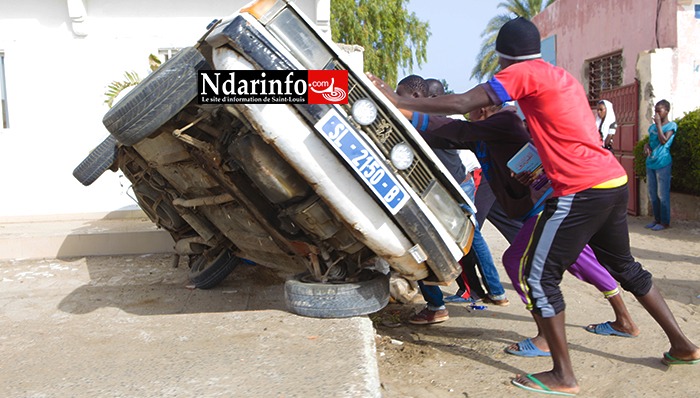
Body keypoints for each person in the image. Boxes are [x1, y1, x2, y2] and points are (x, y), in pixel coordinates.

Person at [368, 17, 699, 396]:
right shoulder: (558, 76)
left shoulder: (521, 74)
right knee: (625, 267)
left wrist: (397, 101)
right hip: (612, 180)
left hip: (581, 188)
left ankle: (564, 375)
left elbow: (462, 105)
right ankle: (683, 345)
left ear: (502, 57)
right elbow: (541, 132)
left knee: (535, 275)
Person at [407, 102, 640, 357]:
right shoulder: (487, 132)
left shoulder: (503, 122)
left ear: (483, 110)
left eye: (471, 106)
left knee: (520, 261)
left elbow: (456, 130)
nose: (466, 112)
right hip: (534, 207)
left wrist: (405, 111)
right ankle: (623, 320)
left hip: (546, 206)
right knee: (580, 259)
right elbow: (450, 137)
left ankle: (545, 338)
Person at [394, 75, 508, 325]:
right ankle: (493, 291)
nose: (395, 97)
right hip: (450, 187)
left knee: (425, 241)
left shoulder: (424, 121)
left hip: (450, 189)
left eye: (398, 93)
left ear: (414, 97)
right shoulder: (424, 120)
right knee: (467, 236)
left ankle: (439, 304)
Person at [643, 99, 676, 232]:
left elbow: (663, 140)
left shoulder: (671, 126)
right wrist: (646, 146)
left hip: (663, 163)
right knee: (652, 193)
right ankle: (656, 219)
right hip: (650, 163)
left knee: (662, 194)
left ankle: (665, 222)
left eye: (659, 111)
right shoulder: (652, 128)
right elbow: (650, 142)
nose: (656, 113)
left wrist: (658, 124)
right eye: (655, 111)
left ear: (666, 111)